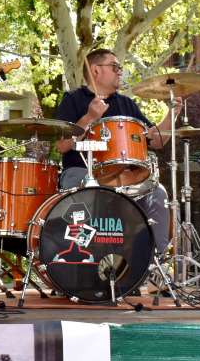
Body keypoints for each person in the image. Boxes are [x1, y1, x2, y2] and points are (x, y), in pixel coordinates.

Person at [53, 48, 176, 252]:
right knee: (92, 189)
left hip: (124, 177)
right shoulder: (73, 99)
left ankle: (156, 262)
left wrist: (173, 113)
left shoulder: (126, 104)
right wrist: (89, 117)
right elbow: (62, 145)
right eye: (115, 66)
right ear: (95, 71)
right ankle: (83, 258)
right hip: (82, 173)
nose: (120, 71)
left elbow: (156, 141)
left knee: (158, 193)